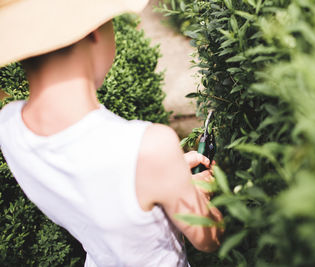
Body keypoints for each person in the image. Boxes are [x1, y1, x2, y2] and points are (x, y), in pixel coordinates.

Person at [0, 0, 224, 266]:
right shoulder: (150, 148)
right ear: (94, 31)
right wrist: (198, 193)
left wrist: (167, 174)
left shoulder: (9, 126)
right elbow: (208, 238)